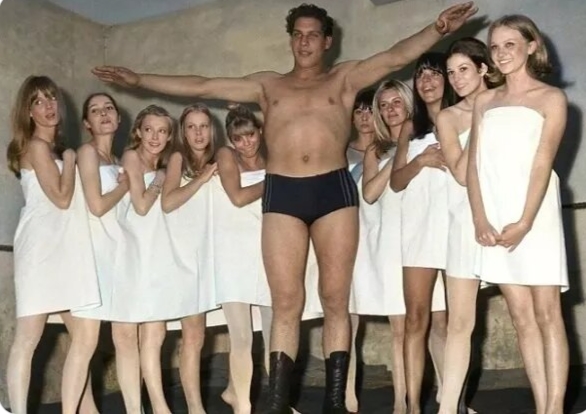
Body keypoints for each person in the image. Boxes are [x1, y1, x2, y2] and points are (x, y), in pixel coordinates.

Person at [91, 3, 477, 411]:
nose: (305, 42)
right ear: (291, 40)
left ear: (327, 41)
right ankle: (277, 403)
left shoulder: (345, 78)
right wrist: (139, 80)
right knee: (286, 302)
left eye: (313, 35)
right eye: (298, 34)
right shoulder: (268, 86)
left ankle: (334, 402)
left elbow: (396, 56)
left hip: (332, 191)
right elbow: (203, 85)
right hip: (284, 192)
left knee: (335, 300)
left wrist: (437, 29)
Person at [467, 15, 569, 414]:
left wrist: (525, 222)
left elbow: (543, 163)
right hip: (494, 216)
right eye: (494, 46)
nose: (501, 53)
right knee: (520, 316)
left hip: (535, 214)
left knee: (547, 313)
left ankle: (555, 407)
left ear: (531, 46)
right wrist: (480, 218)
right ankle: (541, 405)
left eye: (510, 44)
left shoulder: (551, 99)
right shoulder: (484, 101)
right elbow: (474, 166)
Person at [5, 75, 101, 414]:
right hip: (41, 250)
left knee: (85, 338)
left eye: (51, 98)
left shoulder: (53, 149)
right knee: (28, 338)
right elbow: (61, 198)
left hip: (68, 251)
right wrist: (72, 160)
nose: (48, 106)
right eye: (38, 101)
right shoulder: (36, 146)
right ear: (28, 112)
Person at [363, 79, 447, 414]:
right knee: (403, 326)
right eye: (383, 105)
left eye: (396, 102)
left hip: (427, 233)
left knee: (440, 321)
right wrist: (400, 155)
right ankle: (402, 403)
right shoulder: (376, 150)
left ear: (409, 104)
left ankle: (449, 397)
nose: (390, 110)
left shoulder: (426, 137)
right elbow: (370, 194)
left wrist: (412, 148)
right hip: (393, 244)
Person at [390, 52, 456, 414]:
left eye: (434, 74)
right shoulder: (409, 128)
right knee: (416, 318)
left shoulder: (461, 116)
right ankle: (413, 405)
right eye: (420, 76)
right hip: (418, 228)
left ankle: (454, 402)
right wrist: (421, 161)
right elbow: (397, 182)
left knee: (456, 322)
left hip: (455, 225)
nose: (427, 82)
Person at [435, 38, 499, 414]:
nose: (456, 78)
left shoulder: (507, 103)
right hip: (464, 220)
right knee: (460, 323)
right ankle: (447, 409)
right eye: (451, 72)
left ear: (483, 69)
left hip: (505, 216)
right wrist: (478, 119)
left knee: (529, 315)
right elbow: (460, 174)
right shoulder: (448, 117)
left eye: (464, 69)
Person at [113, 104, 185, 414]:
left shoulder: (171, 166)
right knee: (127, 336)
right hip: (130, 254)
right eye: (149, 130)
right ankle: (135, 410)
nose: (155, 137)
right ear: (138, 132)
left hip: (157, 254)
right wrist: (160, 178)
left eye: (162, 131)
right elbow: (141, 206)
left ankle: (158, 406)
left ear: (169, 136)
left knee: (155, 334)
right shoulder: (132, 157)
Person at [70, 92, 130, 413]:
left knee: (123, 339)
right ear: (87, 123)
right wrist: (125, 186)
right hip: (91, 256)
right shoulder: (87, 153)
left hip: (116, 256)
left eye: (109, 108)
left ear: (118, 118)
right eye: (95, 110)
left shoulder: (119, 161)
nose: (103, 113)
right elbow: (96, 206)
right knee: (86, 341)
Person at [212, 104, 273, 414]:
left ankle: (277, 401)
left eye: (250, 134)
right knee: (242, 336)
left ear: (260, 132)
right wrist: (275, 181)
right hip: (233, 252)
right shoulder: (226, 155)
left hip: (268, 249)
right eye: (238, 138)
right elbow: (236, 197)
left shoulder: (272, 156)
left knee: (275, 333)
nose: (245, 143)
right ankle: (243, 406)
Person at [161, 103, 220, 414]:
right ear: (183, 133)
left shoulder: (219, 160)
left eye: (204, 126)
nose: (198, 133)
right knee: (192, 335)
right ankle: (195, 409)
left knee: (199, 336)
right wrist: (202, 179)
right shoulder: (178, 159)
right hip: (182, 258)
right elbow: (168, 203)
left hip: (208, 255)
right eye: (191, 127)